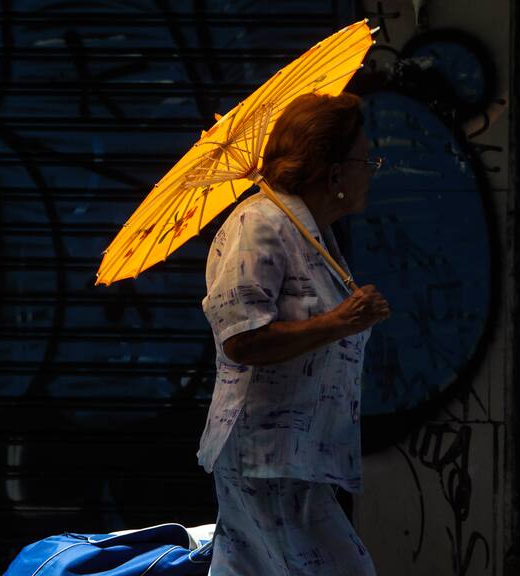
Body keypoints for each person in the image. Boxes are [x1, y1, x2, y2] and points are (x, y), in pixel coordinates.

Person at [197, 92, 390, 576]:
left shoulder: (309, 232)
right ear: (334, 174)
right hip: (264, 457)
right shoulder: (258, 225)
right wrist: (340, 321)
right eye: (366, 161)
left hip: (297, 459)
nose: (372, 171)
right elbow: (241, 340)